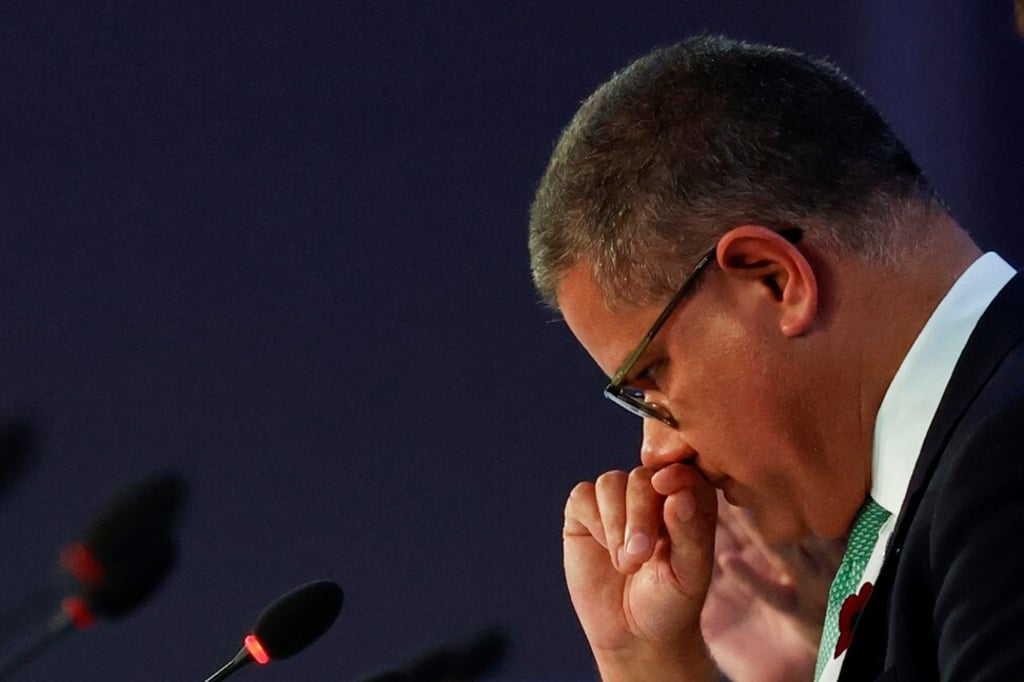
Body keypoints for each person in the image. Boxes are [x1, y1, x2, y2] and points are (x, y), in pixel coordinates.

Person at [528, 35, 1024, 681]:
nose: (656, 451)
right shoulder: (955, 477)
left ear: (774, 279)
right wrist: (655, 663)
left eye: (652, 376)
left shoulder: (1005, 459)